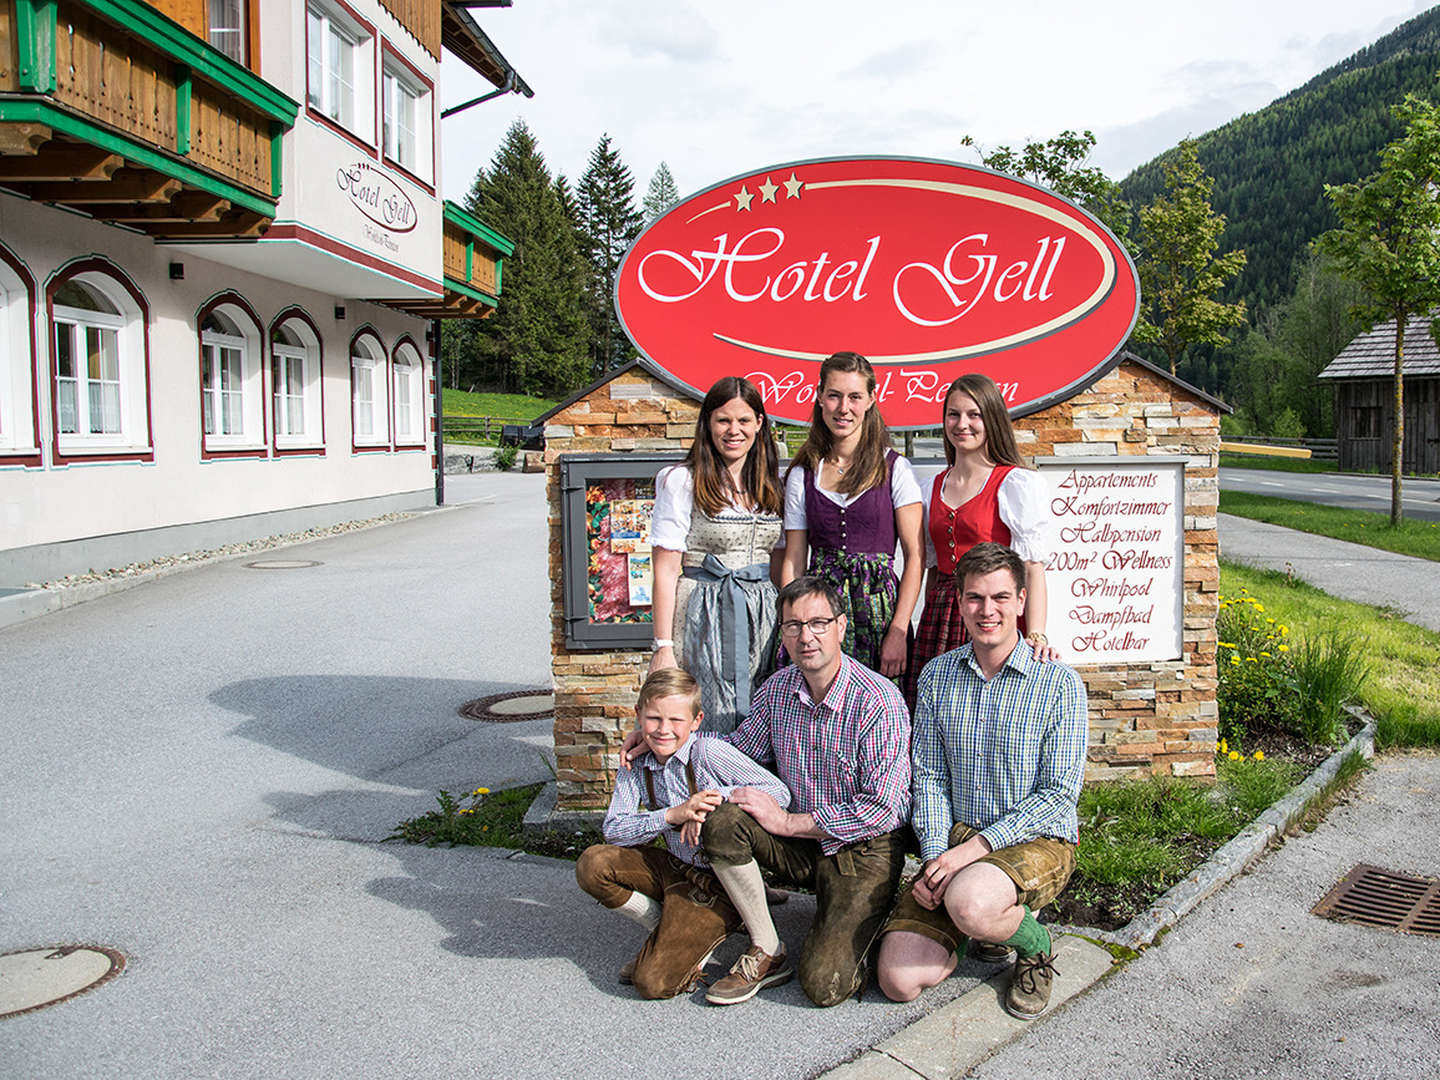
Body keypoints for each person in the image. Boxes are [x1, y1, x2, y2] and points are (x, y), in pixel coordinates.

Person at [876, 543, 1088, 1020]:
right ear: (959, 601)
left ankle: (1031, 941)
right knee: (898, 981)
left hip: (1037, 840)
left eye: (999, 598)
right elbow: (928, 776)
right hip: (957, 840)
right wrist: (934, 859)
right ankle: (985, 926)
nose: (986, 610)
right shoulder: (937, 676)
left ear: (1020, 600)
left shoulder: (1058, 683)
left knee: (969, 901)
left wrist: (970, 855)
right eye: (974, 598)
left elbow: (1058, 795)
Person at [696, 576, 912, 1007]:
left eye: (818, 623)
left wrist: (788, 821)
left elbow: (885, 809)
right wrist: (669, 739)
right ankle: (766, 948)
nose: (805, 636)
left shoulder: (877, 700)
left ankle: (875, 913)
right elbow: (739, 753)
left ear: (842, 627)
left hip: (862, 851)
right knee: (724, 822)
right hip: (801, 843)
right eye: (793, 626)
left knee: (824, 985)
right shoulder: (778, 690)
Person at [575, 668, 793, 1000]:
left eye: (676, 720)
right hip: (674, 866)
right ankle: (664, 929)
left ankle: (719, 923)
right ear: (638, 716)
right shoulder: (636, 763)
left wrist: (711, 802)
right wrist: (672, 815)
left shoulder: (706, 752)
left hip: (717, 882)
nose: (663, 730)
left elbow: (777, 792)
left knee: (652, 983)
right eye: (653, 719)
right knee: (594, 863)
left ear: (696, 720)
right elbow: (614, 830)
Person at [902, 373, 1055, 711]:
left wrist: (1037, 632)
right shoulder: (929, 488)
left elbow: (1032, 567)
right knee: (939, 712)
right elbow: (931, 569)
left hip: (992, 612)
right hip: (941, 615)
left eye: (974, 415)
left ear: (992, 419)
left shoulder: (1015, 483)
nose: (962, 424)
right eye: (953, 414)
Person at [649, 376, 785, 735]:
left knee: (761, 708)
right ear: (708, 423)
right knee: (703, 707)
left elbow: (781, 559)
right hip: (702, 614)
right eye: (723, 420)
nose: (733, 430)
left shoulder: (772, 484)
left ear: (759, 423)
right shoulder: (682, 480)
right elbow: (664, 570)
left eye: (743, 421)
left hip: (763, 619)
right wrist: (663, 647)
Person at [781, 352, 924, 678]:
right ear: (819, 398)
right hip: (819, 614)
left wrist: (899, 630)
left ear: (871, 399)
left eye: (854, 397)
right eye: (834, 396)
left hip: (879, 614)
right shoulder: (803, 473)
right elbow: (794, 558)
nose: (843, 408)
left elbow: (915, 557)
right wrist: (791, 625)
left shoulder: (895, 468)